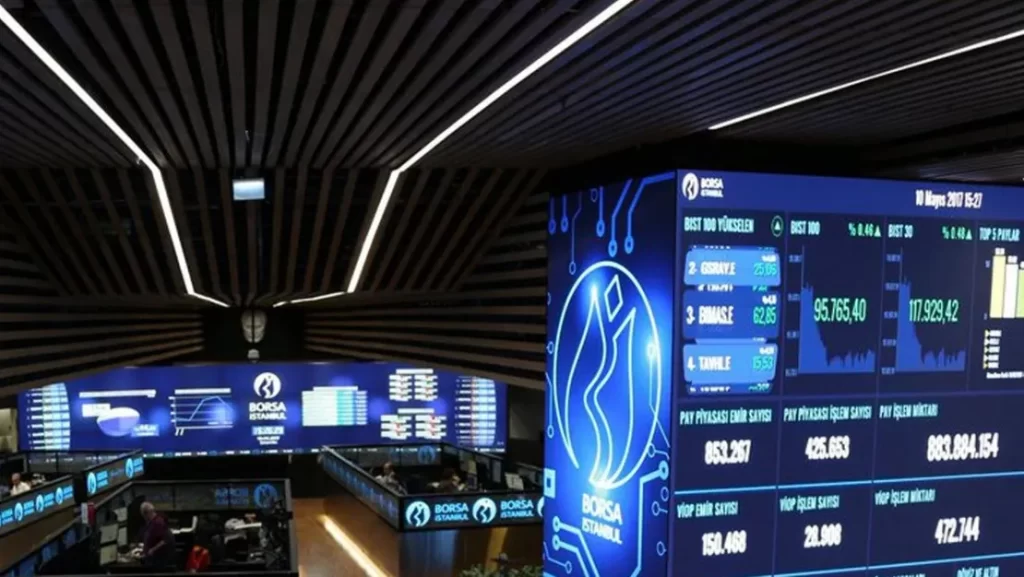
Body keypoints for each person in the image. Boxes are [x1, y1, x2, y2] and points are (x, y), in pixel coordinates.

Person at [140, 502, 176, 568]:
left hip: (157, 560)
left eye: (144, 515)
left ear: (148, 513)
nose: (144, 517)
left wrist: (152, 550)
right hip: (150, 556)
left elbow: (164, 540)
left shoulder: (158, 522)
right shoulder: (152, 522)